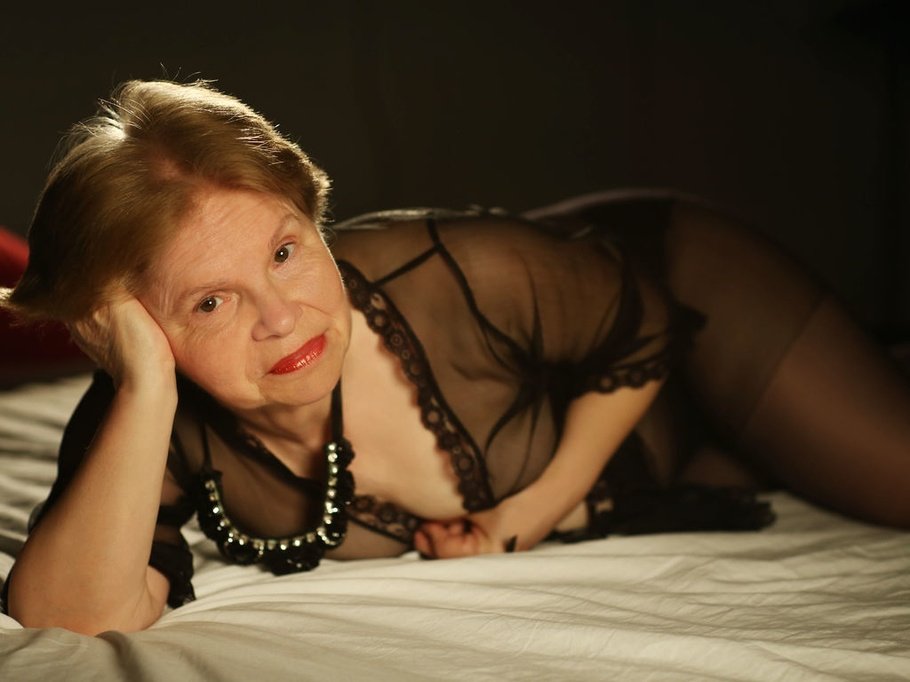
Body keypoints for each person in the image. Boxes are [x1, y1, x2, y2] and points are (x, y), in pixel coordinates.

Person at [1, 79, 908, 636]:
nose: (283, 317)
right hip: (663, 465)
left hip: (693, 301)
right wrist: (146, 386)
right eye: (210, 301)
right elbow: (73, 615)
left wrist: (525, 514)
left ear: (314, 217)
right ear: (122, 326)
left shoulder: (455, 272)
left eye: (284, 251)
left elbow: (642, 325)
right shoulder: (145, 411)